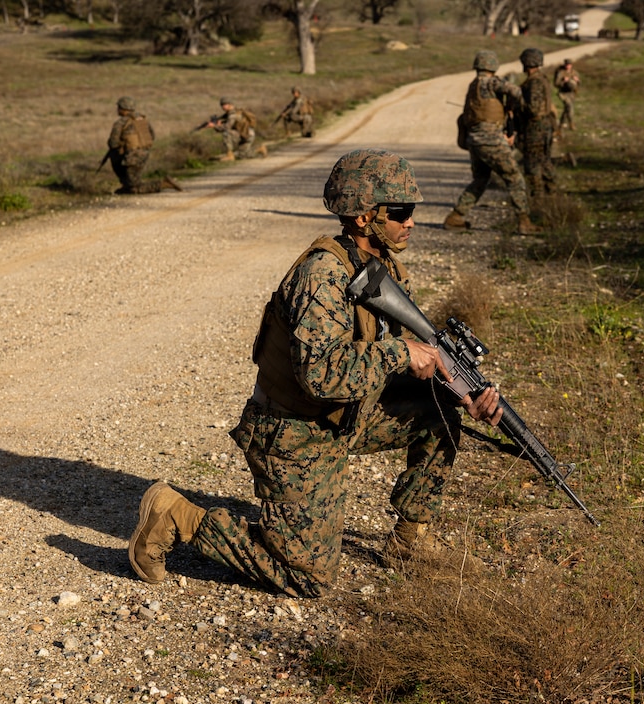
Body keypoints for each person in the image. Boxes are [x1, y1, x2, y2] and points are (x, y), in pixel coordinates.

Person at [128, 148, 503, 598]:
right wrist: (401, 354)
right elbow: (322, 376)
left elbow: (383, 364)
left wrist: (458, 386)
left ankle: (409, 541)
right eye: (400, 212)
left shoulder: (384, 270)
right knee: (309, 577)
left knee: (441, 410)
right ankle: (176, 515)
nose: (412, 223)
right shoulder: (321, 276)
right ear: (365, 217)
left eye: (412, 212)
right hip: (292, 433)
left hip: (343, 417)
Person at [443, 50, 540, 236]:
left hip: (474, 141)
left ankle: (456, 217)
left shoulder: (473, 85)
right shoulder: (492, 82)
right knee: (514, 177)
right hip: (491, 140)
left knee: (480, 179)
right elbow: (515, 91)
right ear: (493, 67)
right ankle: (524, 221)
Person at [106, 96, 182, 194]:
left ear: (123, 108)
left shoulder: (120, 123)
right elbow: (152, 136)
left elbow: (113, 144)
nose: (117, 110)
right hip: (144, 154)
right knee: (132, 183)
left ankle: (163, 184)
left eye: (119, 107)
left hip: (131, 157)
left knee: (134, 188)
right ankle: (126, 186)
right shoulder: (143, 119)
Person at [516, 47, 558, 201]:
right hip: (544, 125)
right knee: (544, 160)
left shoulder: (534, 83)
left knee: (532, 163)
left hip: (535, 127)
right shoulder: (541, 79)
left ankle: (538, 198)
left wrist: (517, 102)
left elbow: (533, 109)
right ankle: (551, 193)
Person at [197, 98, 267, 161]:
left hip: (246, 134)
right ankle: (259, 149)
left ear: (230, 104)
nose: (222, 107)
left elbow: (227, 127)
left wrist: (214, 126)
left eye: (224, 105)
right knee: (242, 155)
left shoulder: (232, 115)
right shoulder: (235, 111)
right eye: (221, 105)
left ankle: (229, 155)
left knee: (226, 133)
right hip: (248, 134)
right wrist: (219, 123)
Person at [553, 58, 580, 131]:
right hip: (563, 93)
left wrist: (577, 80)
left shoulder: (574, 72)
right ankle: (571, 124)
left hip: (572, 93)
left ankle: (561, 124)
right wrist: (563, 81)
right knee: (569, 106)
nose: (568, 66)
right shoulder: (561, 73)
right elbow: (556, 84)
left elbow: (578, 83)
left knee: (567, 108)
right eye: (567, 65)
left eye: (569, 65)